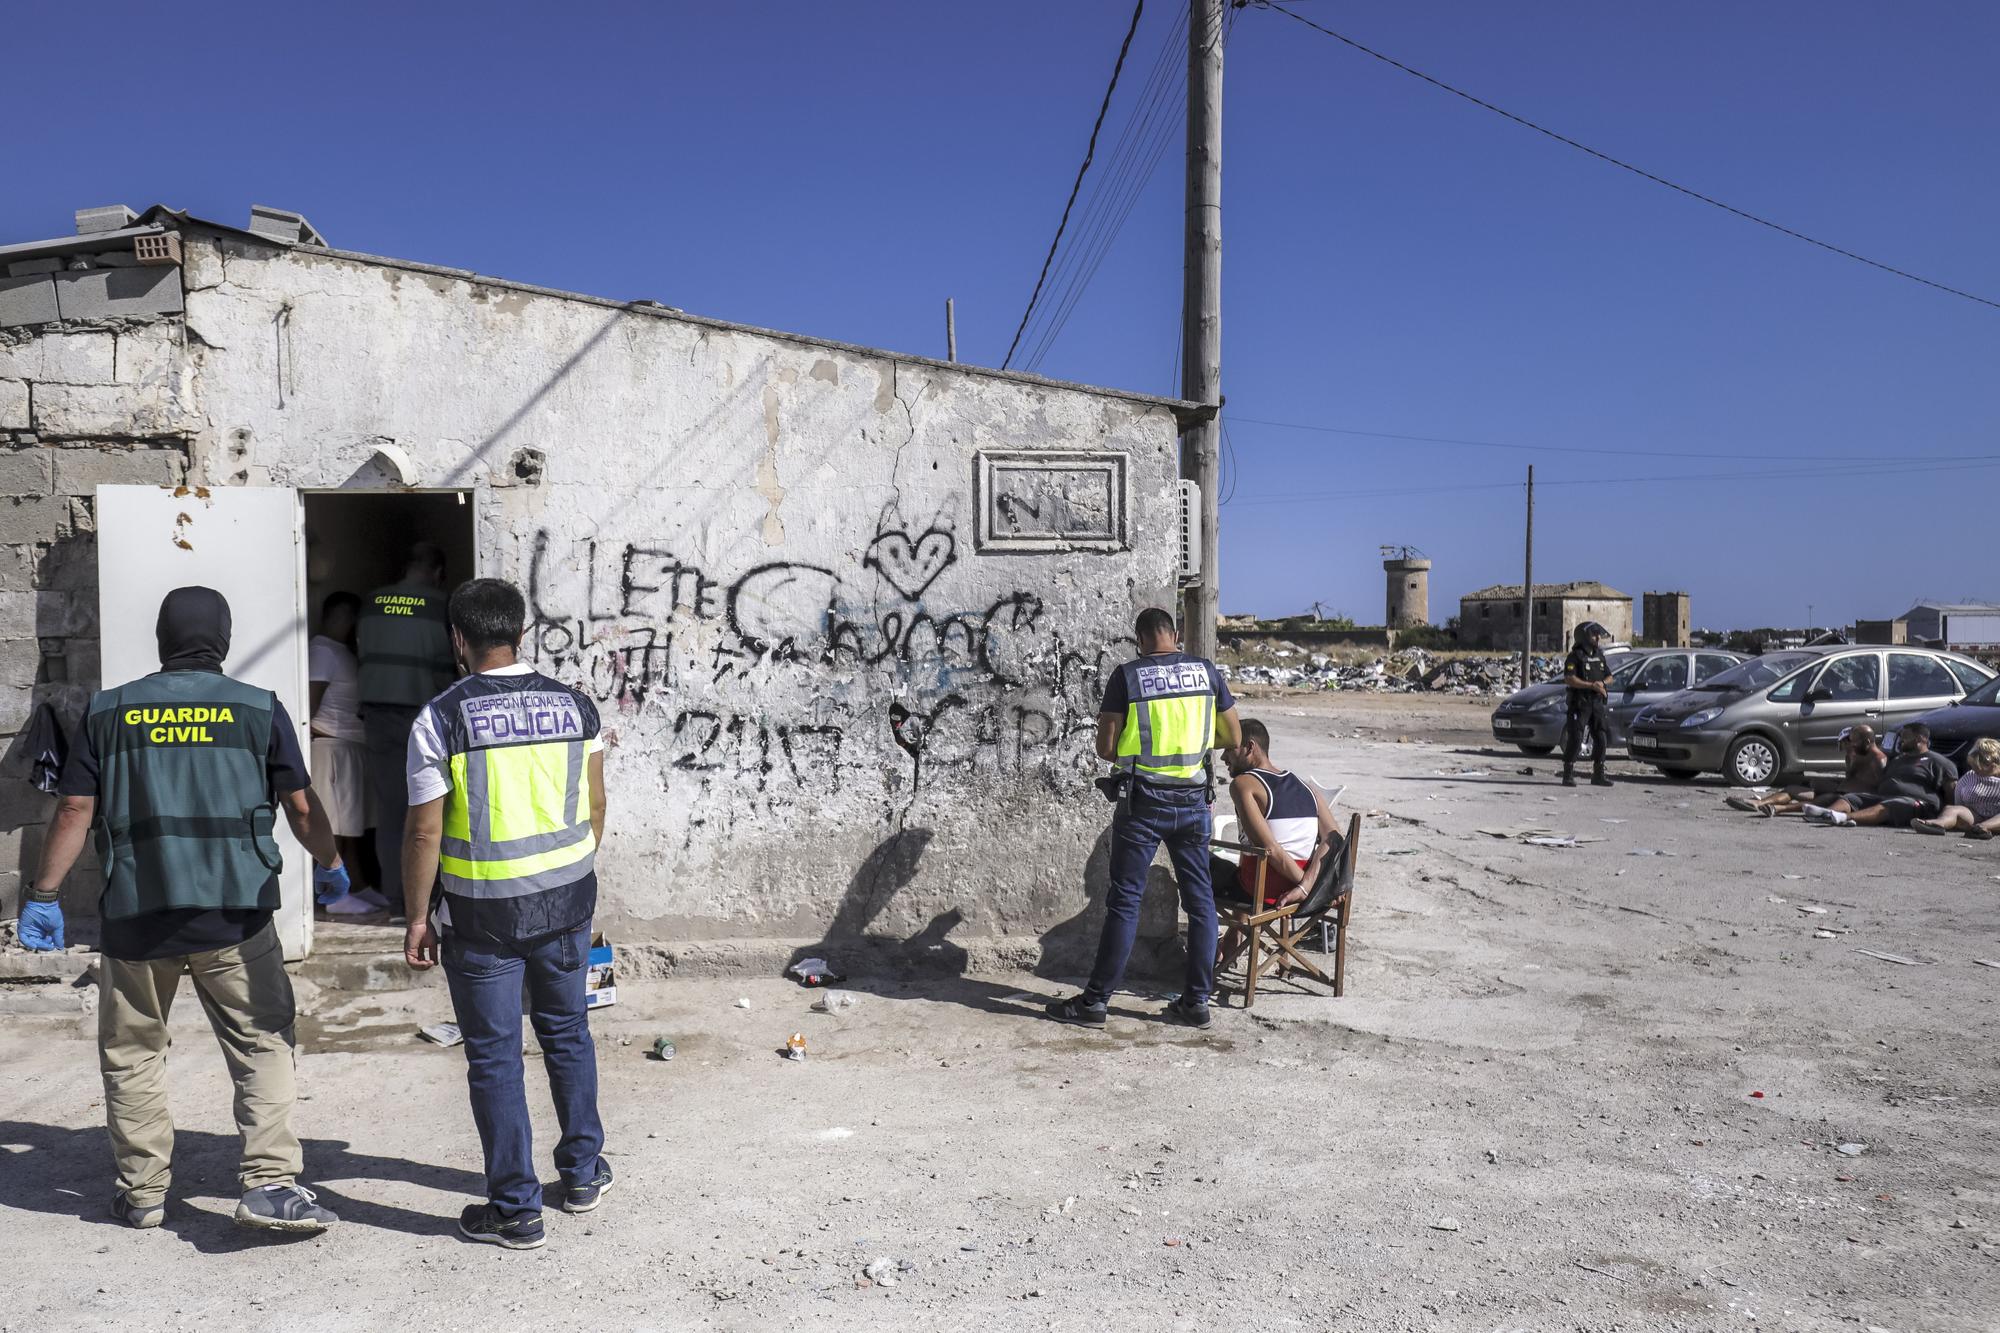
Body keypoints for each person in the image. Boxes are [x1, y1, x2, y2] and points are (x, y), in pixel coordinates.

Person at [17, 587, 347, 1233]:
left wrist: (44, 893)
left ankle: (141, 1192)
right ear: (222, 640)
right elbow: (302, 807)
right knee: (261, 1042)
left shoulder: (110, 710)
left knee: (133, 1048)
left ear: (163, 640)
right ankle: (270, 1182)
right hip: (236, 914)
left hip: (138, 916)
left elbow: (76, 810)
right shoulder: (259, 709)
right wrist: (332, 864)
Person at [400, 578, 610, 1251]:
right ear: (522, 633)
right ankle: (580, 1174)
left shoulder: (440, 718)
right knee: (568, 1034)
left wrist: (415, 917)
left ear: (458, 639)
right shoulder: (577, 706)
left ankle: (517, 1209)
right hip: (568, 904)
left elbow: (424, 834)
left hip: (483, 916)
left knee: (495, 1057)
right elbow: (596, 806)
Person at [1048, 607, 1241, 1031]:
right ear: (1175, 633)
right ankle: (1196, 1004)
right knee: (1201, 902)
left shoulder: (1128, 676)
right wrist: (1192, 741)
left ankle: (1095, 1003)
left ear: (1139, 639)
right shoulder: (1205, 671)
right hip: (1193, 803)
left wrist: (1137, 751)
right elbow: (1232, 736)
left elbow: (1105, 746)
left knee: (1125, 902)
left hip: (1143, 805)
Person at [357, 542, 455, 928]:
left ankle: (397, 902)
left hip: (377, 715)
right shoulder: (439, 606)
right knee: (433, 808)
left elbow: (359, 649)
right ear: (437, 572)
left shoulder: (372, 601)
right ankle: (429, 897)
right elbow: (447, 670)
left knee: (391, 809)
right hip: (424, 718)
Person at [308, 590, 389, 917]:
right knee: (335, 826)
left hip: (350, 747)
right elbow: (309, 704)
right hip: (332, 746)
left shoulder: (340, 651)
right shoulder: (322, 651)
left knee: (353, 826)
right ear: (341, 616)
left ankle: (357, 884)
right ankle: (333, 895)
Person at [1212, 718, 1342, 910]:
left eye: (1230, 749)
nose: (1223, 757)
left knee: (1193, 859)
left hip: (1262, 892)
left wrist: (1308, 891)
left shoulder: (1243, 784)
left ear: (1249, 747)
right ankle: (1234, 937)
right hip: (1293, 886)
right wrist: (1309, 885)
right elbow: (1334, 837)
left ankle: (1200, 936)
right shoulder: (1307, 787)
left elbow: (1270, 849)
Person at [1804, 722, 1959, 828]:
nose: (1901, 741)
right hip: (1886, 797)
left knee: (1891, 804)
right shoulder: (1899, 759)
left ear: (1920, 739)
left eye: (1905, 738)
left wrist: (1941, 819)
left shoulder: (1939, 763)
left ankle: (1845, 818)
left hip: (1918, 804)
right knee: (1852, 798)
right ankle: (1828, 814)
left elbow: (1951, 794)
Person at [1726, 725, 1886, 817]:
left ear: (1866, 741)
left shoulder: (1878, 760)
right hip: (1841, 790)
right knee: (1793, 790)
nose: (1850, 746)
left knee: (1825, 798)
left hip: (1850, 798)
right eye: (1850, 742)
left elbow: (1879, 788)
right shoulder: (1854, 756)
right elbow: (1850, 778)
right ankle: (1760, 802)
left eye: (1854, 742)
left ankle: (1778, 809)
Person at [1561, 621, 1615, 788]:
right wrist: (1590, 685)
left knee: (1601, 737)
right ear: (1584, 637)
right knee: (1576, 737)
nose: (1598, 637)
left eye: (1598, 634)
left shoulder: (1599, 655)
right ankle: (1568, 773)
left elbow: (1610, 676)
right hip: (1580, 702)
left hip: (1597, 703)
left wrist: (1602, 684)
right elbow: (1569, 678)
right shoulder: (1575, 656)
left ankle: (1598, 774)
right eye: (1594, 634)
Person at [1913, 736, 2000, 839]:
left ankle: (1982, 828)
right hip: (1975, 815)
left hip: (1996, 818)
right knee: (1951, 809)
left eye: (1978, 768)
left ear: (1993, 765)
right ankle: (1939, 824)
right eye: (1973, 767)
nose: (1975, 770)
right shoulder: (1971, 776)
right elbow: (1959, 798)